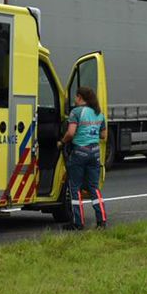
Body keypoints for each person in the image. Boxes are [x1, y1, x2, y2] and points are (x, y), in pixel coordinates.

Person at [59, 86, 108, 230]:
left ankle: (77, 223)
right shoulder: (99, 113)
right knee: (94, 188)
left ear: (80, 97)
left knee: (75, 188)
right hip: (95, 153)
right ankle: (101, 221)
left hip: (79, 153)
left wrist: (61, 142)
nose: (74, 99)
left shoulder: (76, 112)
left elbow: (71, 133)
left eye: (75, 97)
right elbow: (104, 135)